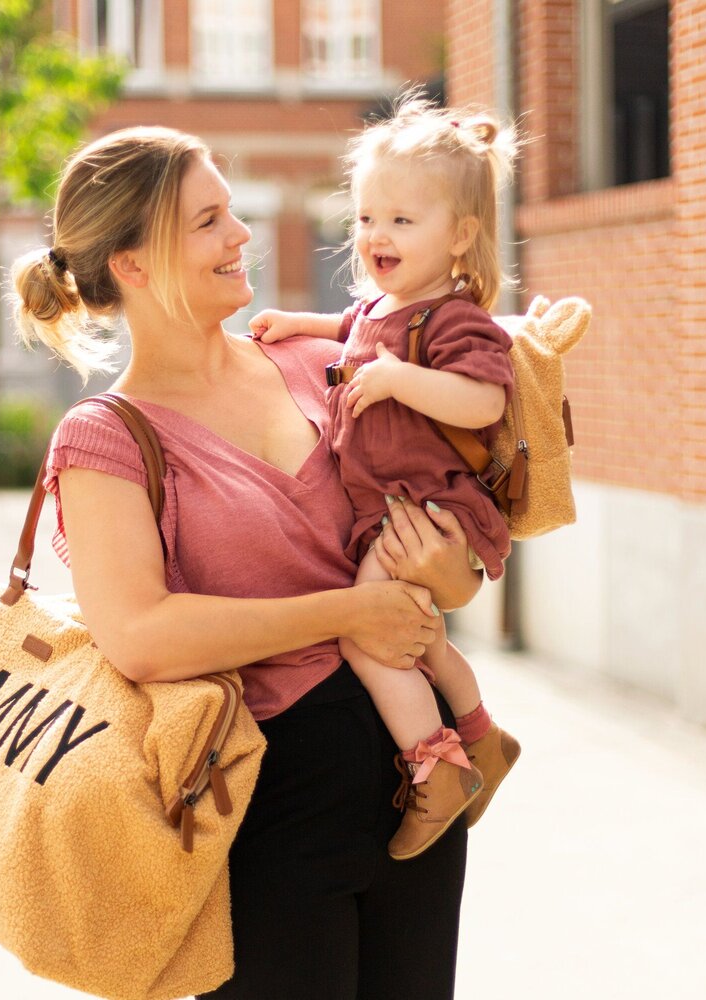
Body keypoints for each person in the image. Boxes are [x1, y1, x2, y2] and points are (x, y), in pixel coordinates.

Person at [11, 125, 483, 999]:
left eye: (231, 213)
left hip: (419, 790)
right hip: (261, 812)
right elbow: (141, 637)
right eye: (208, 221)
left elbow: (449, 543)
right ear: (133, 264)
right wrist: (346, 613)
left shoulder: (325, 365)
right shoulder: (106, 439)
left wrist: (450, 575)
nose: (241, 237)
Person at [249, 94, 522, 860]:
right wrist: (300, 325)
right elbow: (352, 328)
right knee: (417, 636)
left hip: (433, 511)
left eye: (403, 220)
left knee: (367, 633)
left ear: (461, 235)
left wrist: (400, 381)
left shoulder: (456, 319)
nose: (377, 235)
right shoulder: (385, 309)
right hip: (397, 512)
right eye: (367, 217)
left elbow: (484, 400)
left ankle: (437, 770)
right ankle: (481, 736)